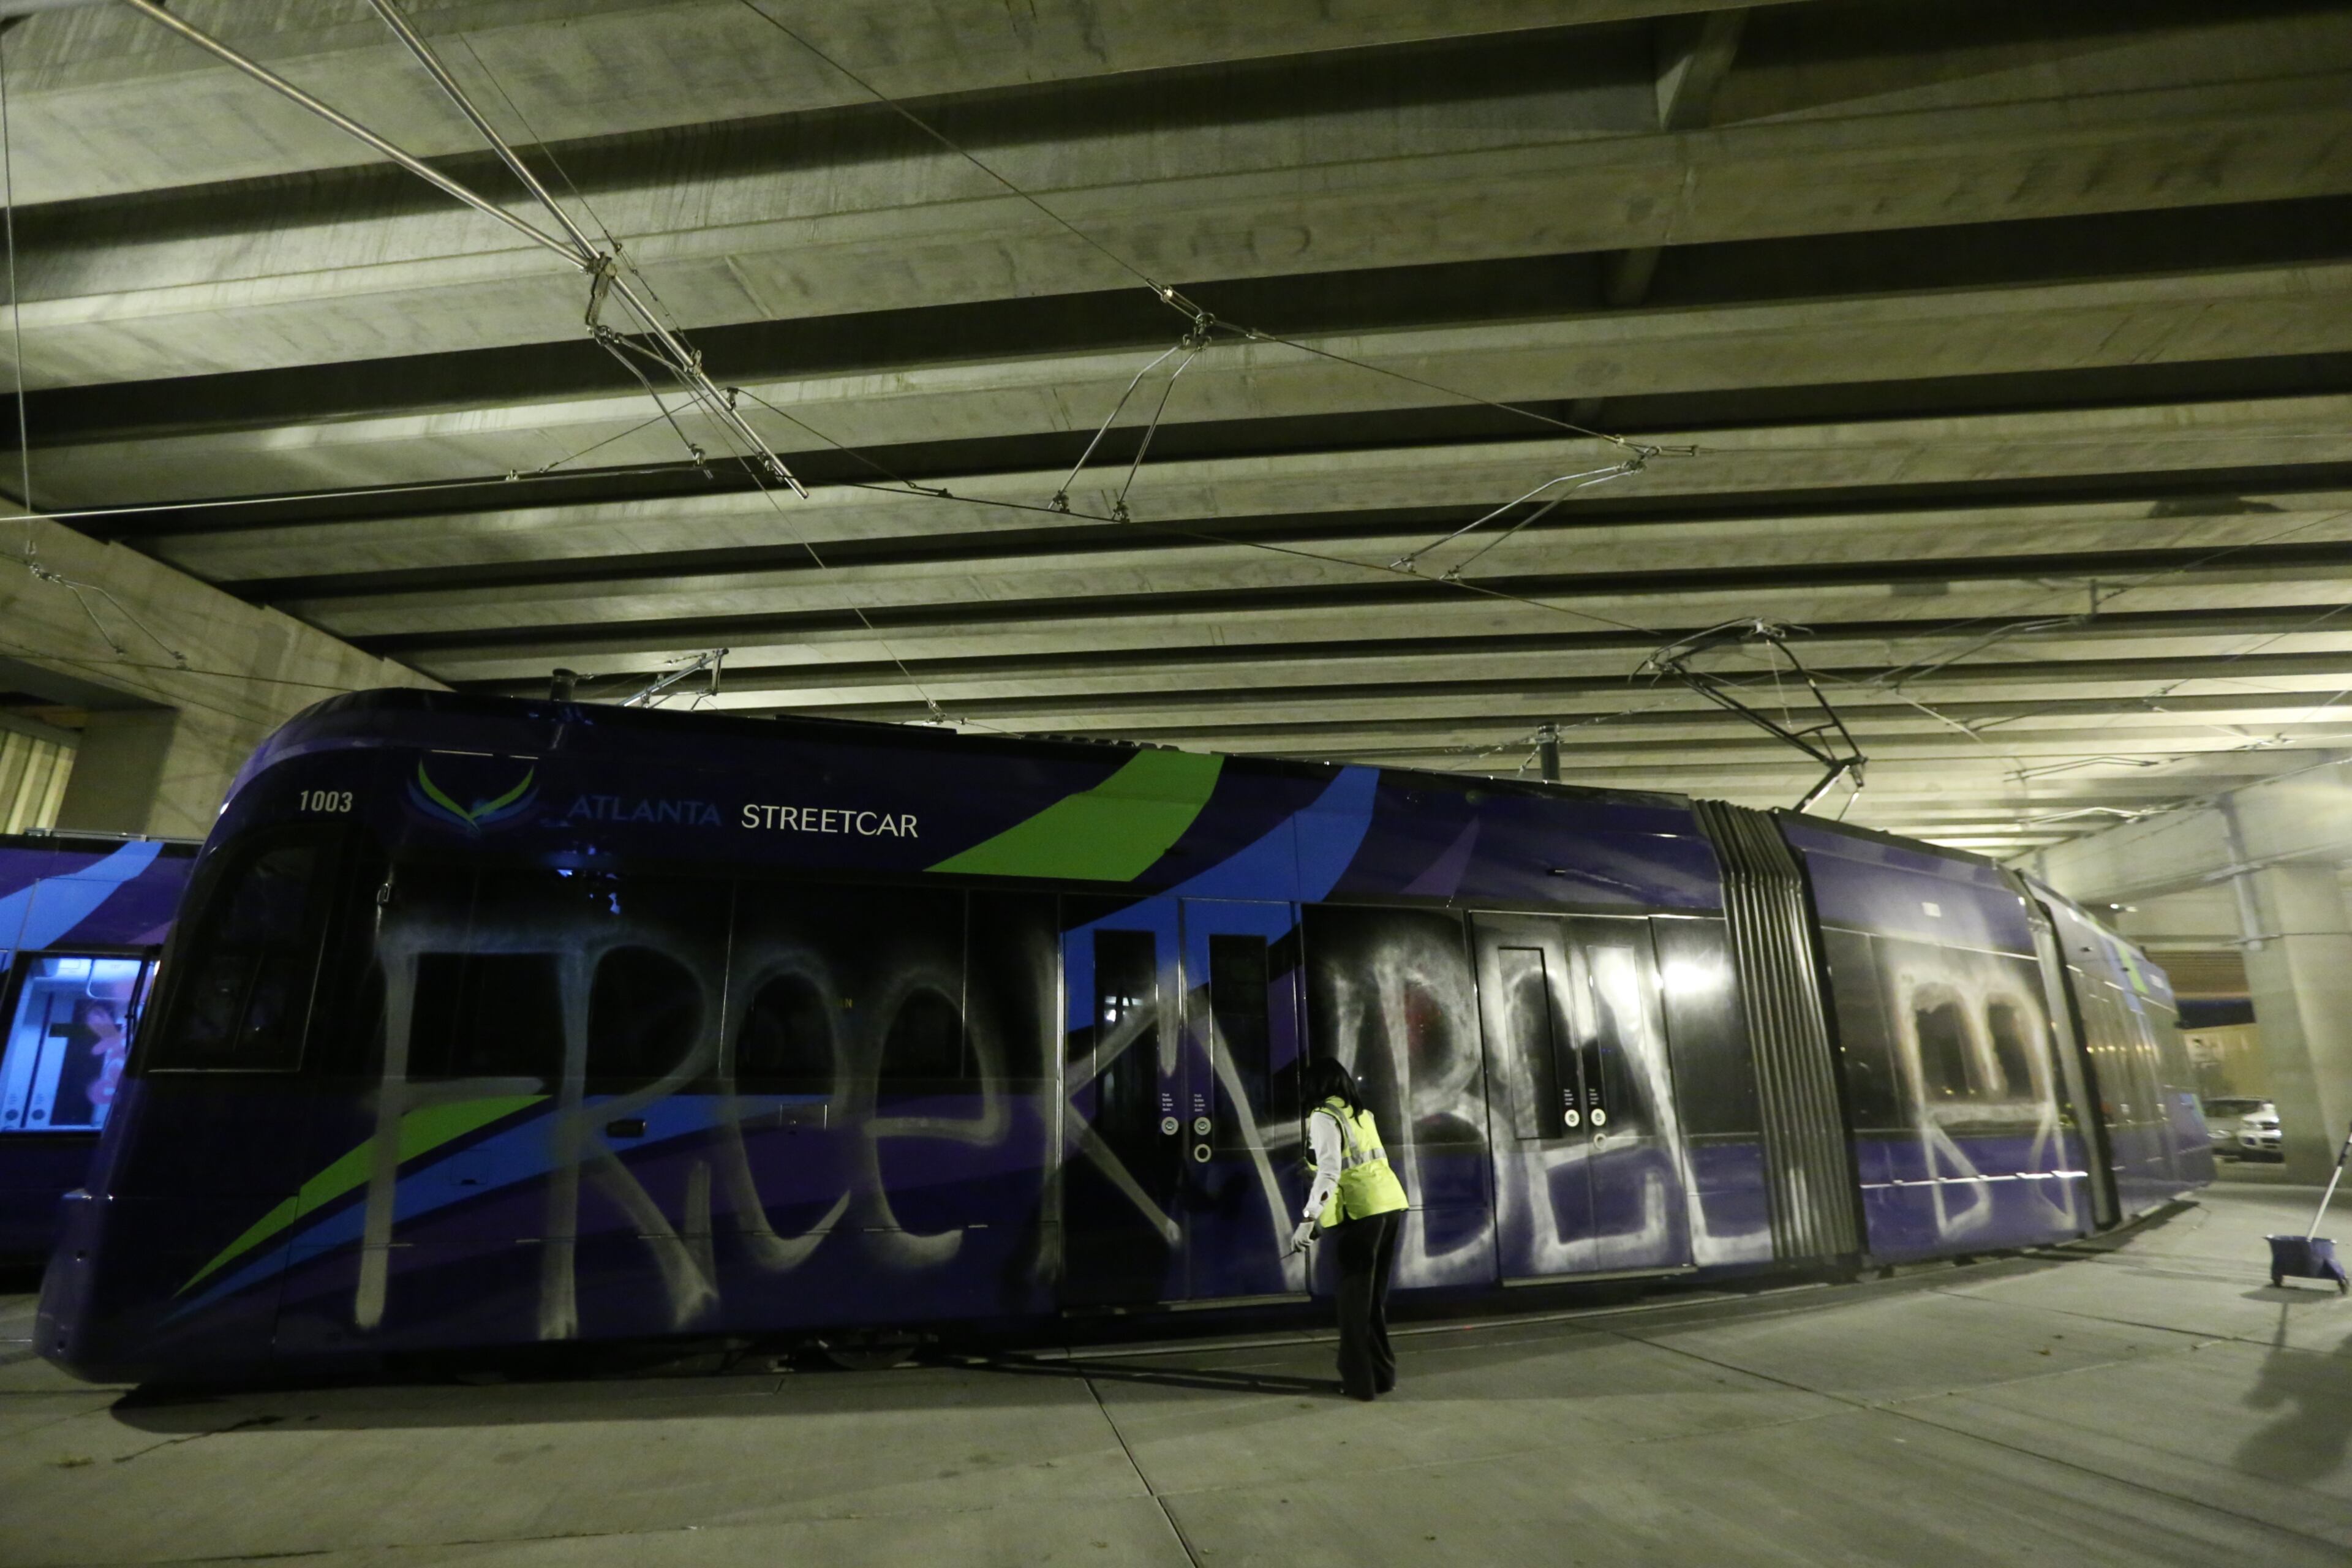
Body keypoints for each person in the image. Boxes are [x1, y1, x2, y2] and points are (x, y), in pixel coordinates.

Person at [1291, 1057, 1409, 1400]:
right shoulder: (1361, 1114)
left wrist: (1309, 1219)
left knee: (1353, 1305)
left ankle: (1360, 1385)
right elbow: (1357, 1164)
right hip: (1389, 1208)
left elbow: (1331, 1172)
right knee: (1373, 1303)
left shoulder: (1324, 1117)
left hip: (1362, 1216)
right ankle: (1383, 1375)